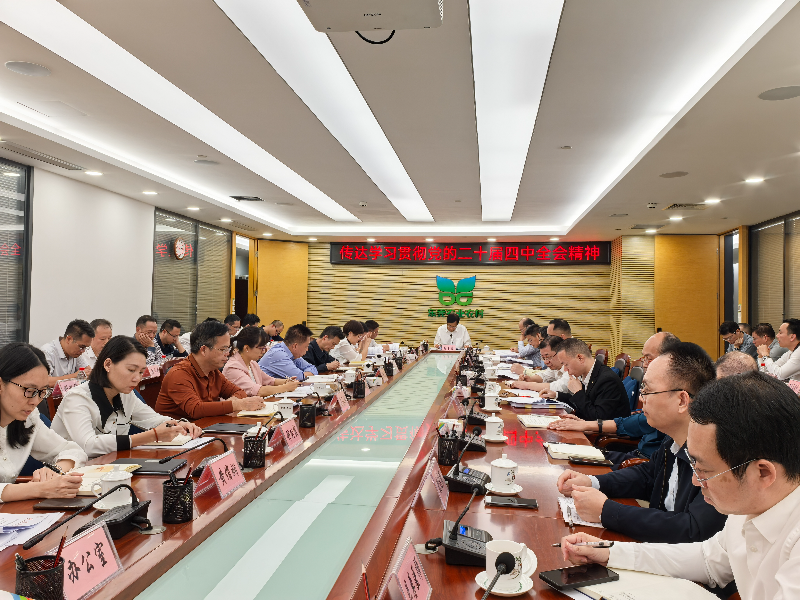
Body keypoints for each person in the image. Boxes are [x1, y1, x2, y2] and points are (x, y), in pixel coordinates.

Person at [559, 372, 800, 600]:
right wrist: (609, 552)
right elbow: (707, 560)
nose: (696, 480)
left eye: (704, 470)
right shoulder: (751, 503)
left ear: (763, 473)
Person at [556, 342, 723, 543]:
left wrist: (606, 511)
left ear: (681, 400)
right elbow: (647, 475)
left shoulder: (717, 453)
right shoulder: (674, 439)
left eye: (647, 390)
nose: (641, 399)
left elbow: (693, 530)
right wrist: (592, 481)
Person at [52, 337, 202, 458]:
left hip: (110, 467)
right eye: (131, 370)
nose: (137, 378)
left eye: (141, 372)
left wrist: (179, 424)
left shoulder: (125, 395)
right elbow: (89, 445)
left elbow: (153, 419)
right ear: (108, 364)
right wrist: (151, 436)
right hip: (72, 476)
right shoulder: (77, 398)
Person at [547, 332, 680, 464]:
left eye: (648, 358)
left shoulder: (672, 399)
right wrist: (582, 422)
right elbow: (633, 421)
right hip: (636, 457)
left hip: (639, 460)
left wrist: (583, 421)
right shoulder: (660, 398)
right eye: (643, 358)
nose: (644, 364)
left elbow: (608, 419)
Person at [0, 343, 87, 502]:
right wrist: (40, 489)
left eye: (42, 392)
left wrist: (55, 471)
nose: (35, 401)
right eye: (29, 390)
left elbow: (73, 450)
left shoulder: (28, 418)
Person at [154, 320, 265, 420]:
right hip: (175, 437)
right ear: (203, 350)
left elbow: (239, 392)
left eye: (228, 348)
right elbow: (195, 409)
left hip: (202, 429)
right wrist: (237, 404)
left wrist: (234, 401)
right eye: (223, 349)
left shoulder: (213, 372)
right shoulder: (179, 374)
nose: (228, 353)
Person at [544, 338, 629, 420]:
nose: (565, 369)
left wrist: (578, 393)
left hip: (604, 434)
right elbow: (584, 402)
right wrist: (556, 395)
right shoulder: (588, 373)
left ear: (580, 358)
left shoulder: (607, 380)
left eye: (566, 364)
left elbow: (597, 418)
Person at [223, 326, 301, 397]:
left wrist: (287, 381)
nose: (263, 352)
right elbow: (257, 391)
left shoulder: (252, 363)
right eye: (261, 348)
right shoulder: (233, 368)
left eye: (264, 348)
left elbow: (270, 381)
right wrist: (285, 387)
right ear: (246, 348)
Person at [40, 319, 95, 387]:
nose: (83, 351)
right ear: (69, 339)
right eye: (82, 347)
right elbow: (44, 381)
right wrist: (74, 376)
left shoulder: (76, 353)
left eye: (86, 348)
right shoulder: (47, 352)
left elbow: (88, 371)